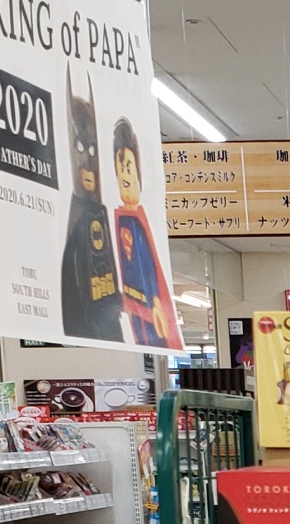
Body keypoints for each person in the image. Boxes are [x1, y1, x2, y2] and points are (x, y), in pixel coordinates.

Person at [57, 77, 124, 344]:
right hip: (86, 322)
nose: (87, 159)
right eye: (80, 148)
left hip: (106, 319)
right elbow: (70, 274)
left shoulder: (99, 213)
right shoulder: (74, 216)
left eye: (92, 150)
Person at [110, 119, 183, 350]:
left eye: (129, 168)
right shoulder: (119, 219)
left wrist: (156, 303)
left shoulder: (139, 223)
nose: (125, 177)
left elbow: (150, 265)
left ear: (139, 175)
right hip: (133, 303)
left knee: (152, 338)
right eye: (120, 169)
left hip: (149, 306)